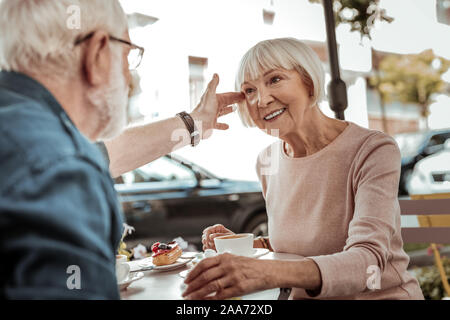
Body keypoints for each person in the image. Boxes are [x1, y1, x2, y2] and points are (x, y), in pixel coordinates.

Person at [0, 0, 242, 299]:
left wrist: (195, 124)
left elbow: (104, 153)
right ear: (99, 52)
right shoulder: (61, 166)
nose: (129, 80)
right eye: (129, 55)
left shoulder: (26, 130)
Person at [182, 38, 425, 300]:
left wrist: (267, 272)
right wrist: (247, 246)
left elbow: (367, 263)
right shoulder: (267, 161)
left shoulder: (372, 149)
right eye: (249, 90)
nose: (261, 99)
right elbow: (297, 245)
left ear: (308, 82)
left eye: (275, 79)